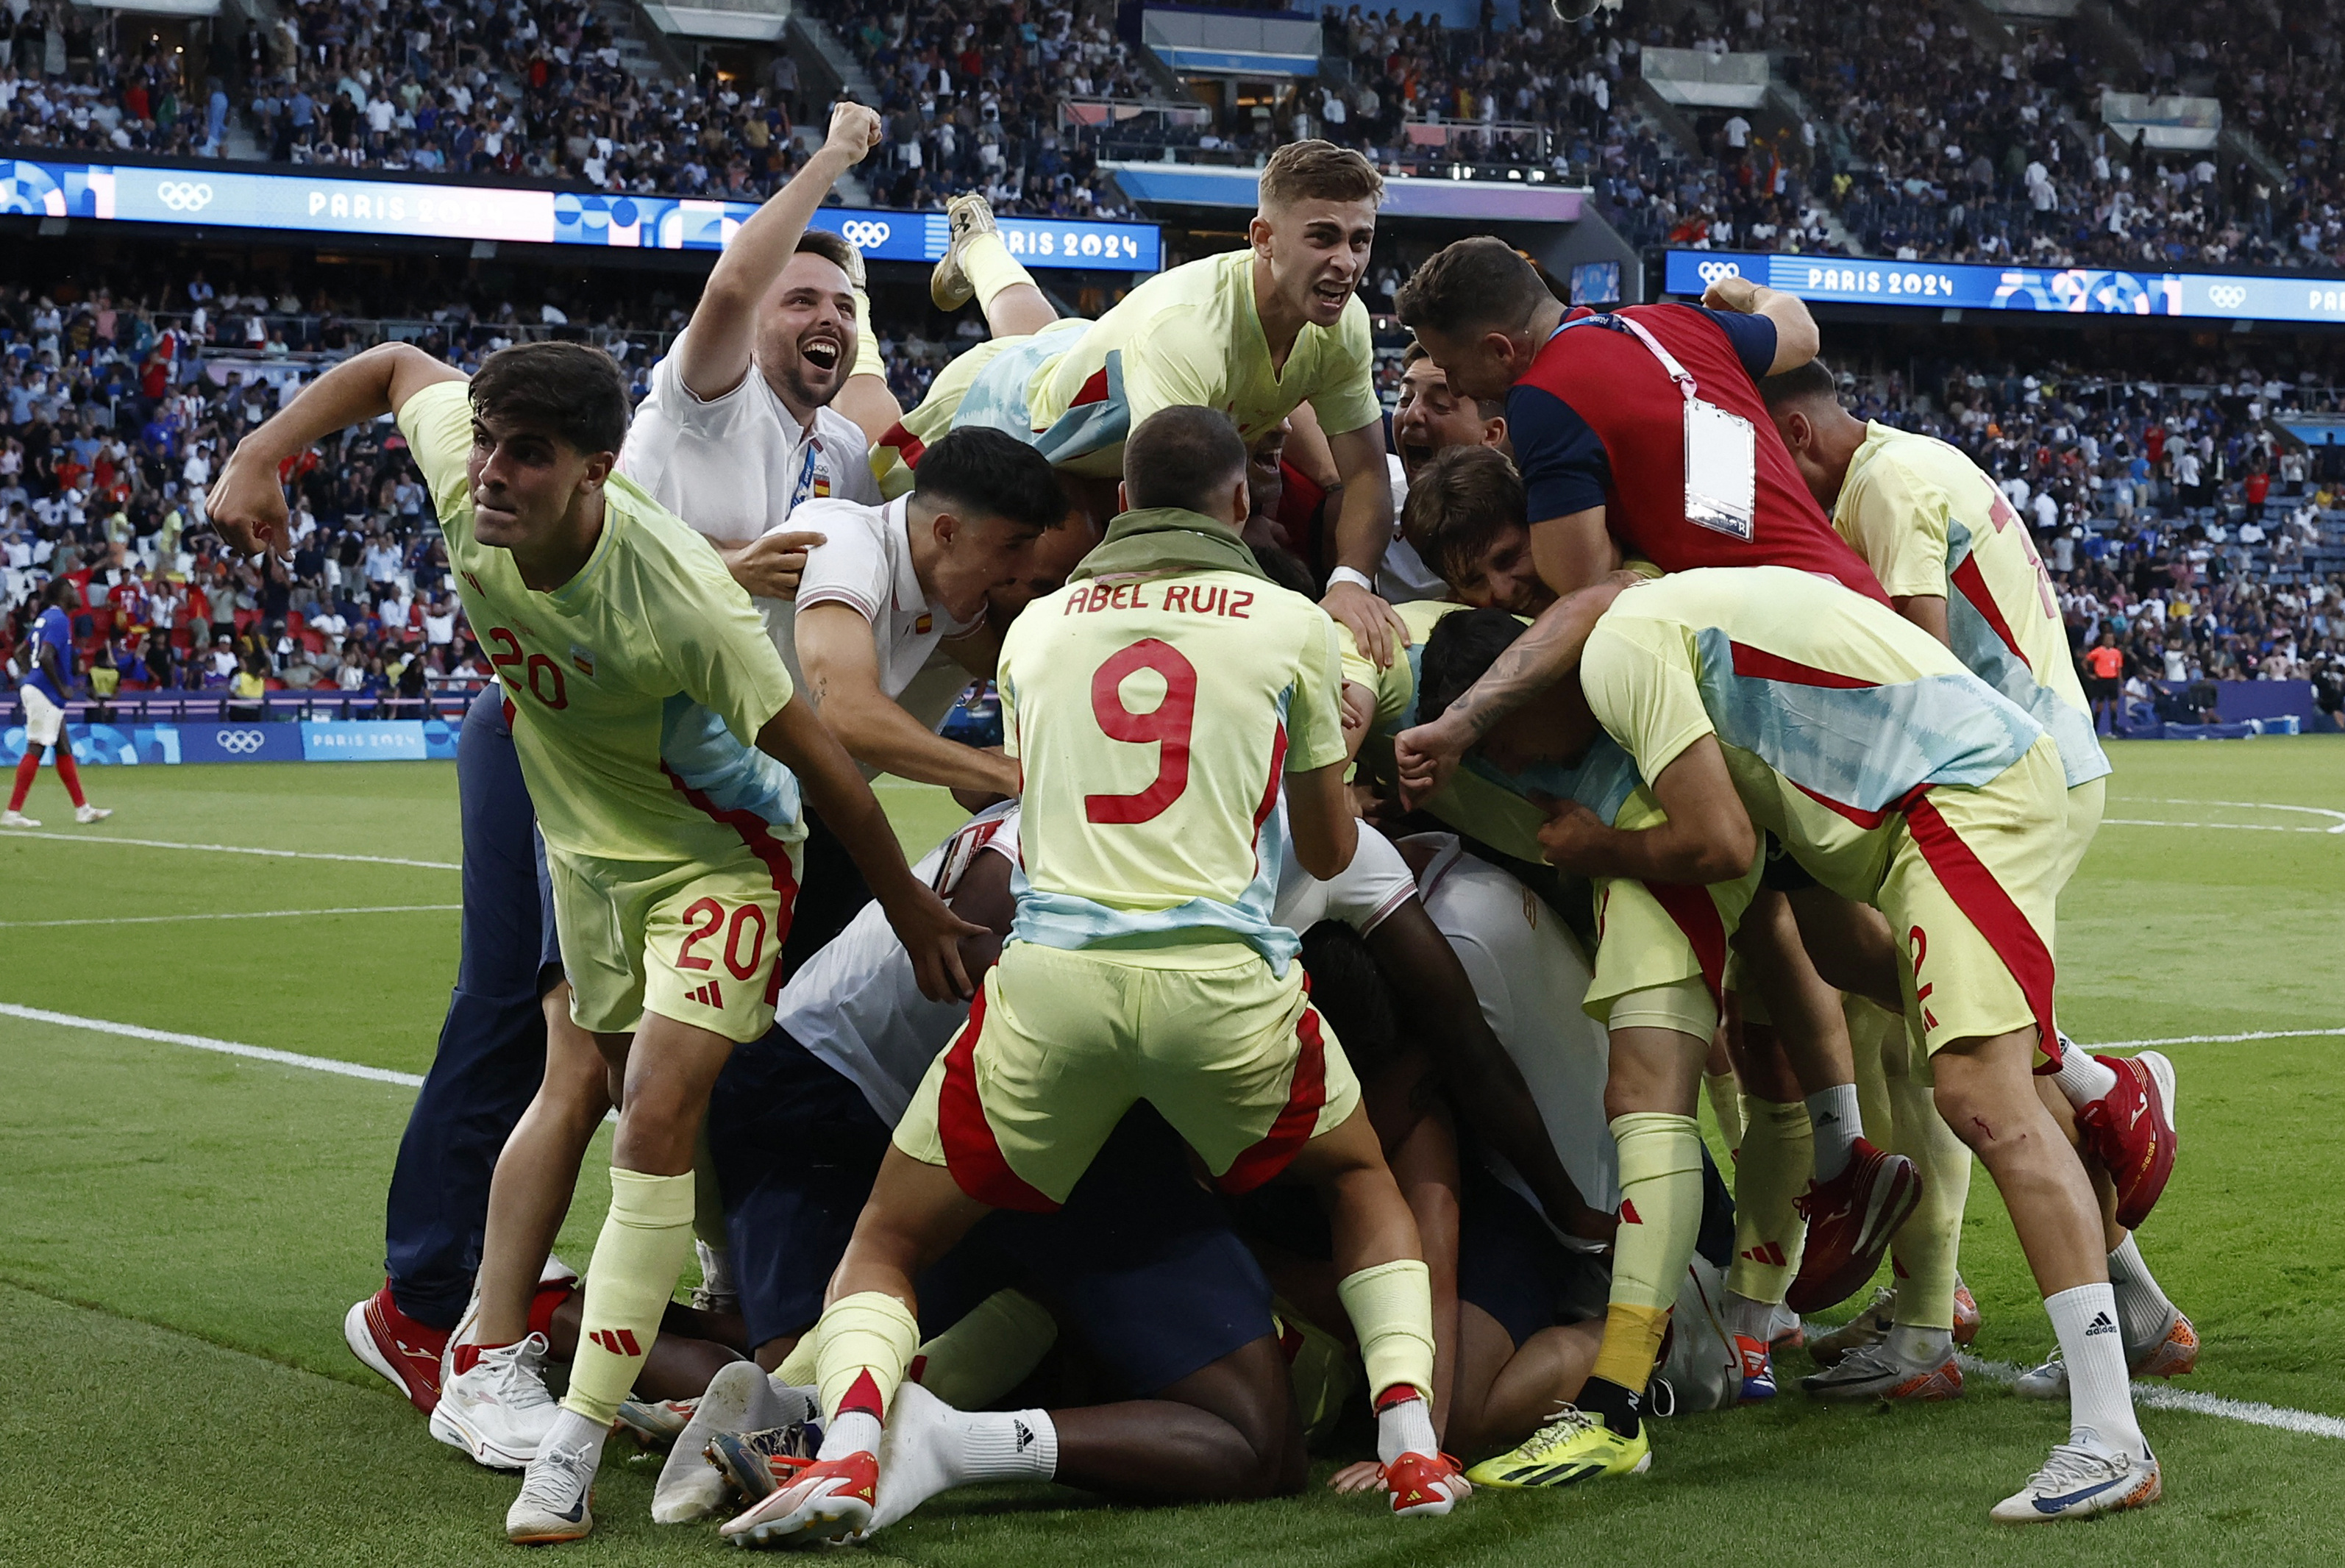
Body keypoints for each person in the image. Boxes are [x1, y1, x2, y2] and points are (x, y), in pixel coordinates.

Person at [204, 338, 977, 1545]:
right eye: (490, 443)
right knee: (588, 1087)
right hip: (584, 856)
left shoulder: (678, 599)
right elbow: (397, 366)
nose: (493, 472)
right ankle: (495, 1352)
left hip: (720, 857)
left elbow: (825, 766)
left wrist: (909, 906)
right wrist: (262, 453)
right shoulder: (469, 477)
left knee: (654, 1114)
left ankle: (568, 1448)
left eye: (528, 454)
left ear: (596, 471)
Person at [725, 407, 1465, 1547]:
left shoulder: (1036, 630)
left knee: (890, 1239)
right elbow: (1325, 853)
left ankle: (853, 1442)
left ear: (1121, 507)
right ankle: (1411, 1445)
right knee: (1361, 1179)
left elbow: (1024, 796)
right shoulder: (1293, 625)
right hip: (1220, 984)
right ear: (1239, 505)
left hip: (1054, 984)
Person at [1398, 569, 2164, 1523]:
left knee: (1979, 1092)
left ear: (1528, 684)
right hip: (1930, 804)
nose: (1514, 772)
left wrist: (1600, 848)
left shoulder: (1622, 654)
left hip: (1955, 792)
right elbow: (1602, 599)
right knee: (1940, 1038)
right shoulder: (1630, 623)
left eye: (1501, 745)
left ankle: (2110, 1435)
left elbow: (1718, 841)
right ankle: (2099, 1095)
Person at [1396, 241, 1921, 1338]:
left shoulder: (1548, 412)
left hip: (1760, 675)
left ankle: (1666, 1347)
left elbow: (1586, 591)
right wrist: (1745, 294)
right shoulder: (1669, 323)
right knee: (1833, 956)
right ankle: (1802, 1268)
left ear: (1496, 348)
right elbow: (1799, 329)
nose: (1451, 389)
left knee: (1762, 976)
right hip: (1832, 626)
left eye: (1452, 369)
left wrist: (1476, 719)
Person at [1760, 362, 2188, 1398]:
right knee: (1931, 1042)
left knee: (1964, 1062)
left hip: (1994, 784)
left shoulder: (1886, 485)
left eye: (1774, 462)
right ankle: (2111, 1294)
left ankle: (1940, 1316)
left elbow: (1922, 666)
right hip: (2023, 768)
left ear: (1798, 434)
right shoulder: (1910, 463)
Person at [869, 140, 1414, 670]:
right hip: (1013, 412)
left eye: (1360, 241)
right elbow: (1168, 523)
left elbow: (1366, 473)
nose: (1346, 263)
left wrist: (1349, 583)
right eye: (1323, 238)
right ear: (1263, 238)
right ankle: (859, 286)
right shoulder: (1189, 333)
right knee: (867, 456)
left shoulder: (1342, 323)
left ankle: (977, 246)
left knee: (1039, 332)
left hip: (1096, 378)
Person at [5, 577, 110, 828]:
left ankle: (83, 809)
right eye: (73, 590)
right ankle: (12, 812)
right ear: (63, 594)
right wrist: (60, 686)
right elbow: (45, 656)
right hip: (45, 693)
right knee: (37, 747)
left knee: (63, 747)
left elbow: (20, 652)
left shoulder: (46, 617)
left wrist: (31, 677)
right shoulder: (60, 620)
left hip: (39, 689)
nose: (78, 594)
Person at [2083, 631, 2126, 734]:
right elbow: (2085, 661)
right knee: (2099, 706)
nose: (2110, 641)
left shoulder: (2117, 653)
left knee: (2114, 706)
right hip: (2102, 680)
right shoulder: (2098, 651)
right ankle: (2095, 730)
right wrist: (2089, 674)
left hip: (2113, 680)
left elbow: (2118, 668)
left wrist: (2120, 681)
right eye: (2108, 639)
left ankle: (2114, 730)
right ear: (2104, 640)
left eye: (2112, 639)